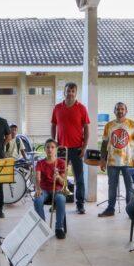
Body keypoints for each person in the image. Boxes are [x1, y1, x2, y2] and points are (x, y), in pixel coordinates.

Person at [51, 82, 90, 214]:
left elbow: (86, 128)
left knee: (79, 178)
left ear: (76, 93)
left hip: (77, 148)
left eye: (73, 91)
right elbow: (53, 125)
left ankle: (80, 205)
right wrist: (54, 142)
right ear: (64, 92)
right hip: (62, 149)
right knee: (58, 177)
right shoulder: (57, 108)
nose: (70, 93)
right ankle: (56, 203)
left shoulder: (82, 108)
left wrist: (84, 147)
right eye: (68, 91)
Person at [99, 102, 134, 217]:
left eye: (122, 109)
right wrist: (102, 159)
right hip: (112, 161)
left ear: (126, 111)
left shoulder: (132, 124)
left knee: (130, 188)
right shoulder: (109, 125)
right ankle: (110, 209)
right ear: (114, 111)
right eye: (117, 109)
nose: (120, 111)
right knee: (112, 187)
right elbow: (104, 143)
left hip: (128, 162)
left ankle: (130, 210)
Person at [33, 139, 68, 239]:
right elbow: (37, 177)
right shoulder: (40, 163)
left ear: (56, 149)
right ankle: (43, 228)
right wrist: (38, 188)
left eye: (52, 147)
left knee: (61, 199)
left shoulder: (61, 162)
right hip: (43, 189)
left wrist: (58, 177)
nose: (50, 149)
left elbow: (63, 183)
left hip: (57, 190)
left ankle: (59, 228)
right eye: (47, 147)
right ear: (44, 149)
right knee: (37, 200)